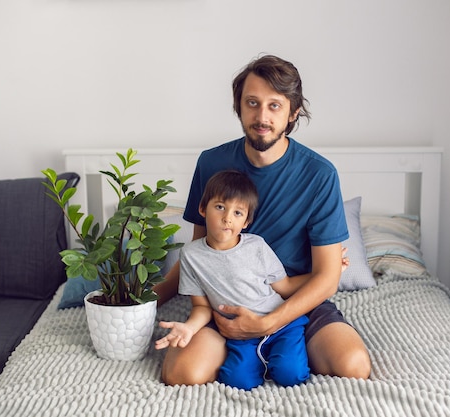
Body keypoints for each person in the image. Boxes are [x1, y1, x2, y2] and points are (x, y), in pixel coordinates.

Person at [155, 54, 371, 385]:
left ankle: (277, 346)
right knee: (180, 372)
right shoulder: (212, 163)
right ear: (238, 107)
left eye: (274, 106)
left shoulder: (319, 174)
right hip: (225, 300)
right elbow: (198, 253)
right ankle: (244, 354)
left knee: (353, 365)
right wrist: (138, 302)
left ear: (292, 112)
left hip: (298, 305)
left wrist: (266, 323)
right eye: (252, 103)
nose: (261, 116)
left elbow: (327, 278)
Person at [155, 170, 311, 390]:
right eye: (220, 207)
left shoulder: (257, 246)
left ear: (246, 221)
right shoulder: (191, 255)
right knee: (238, 381)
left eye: (238, 213)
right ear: (202, 209)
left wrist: (325, 273)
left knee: (291, 375)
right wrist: (190, 328)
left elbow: (285, 287)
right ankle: (259, 359)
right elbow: (201, 306)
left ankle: (284, 354)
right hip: (240, 333)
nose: (227, 217)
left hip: (281, 325)